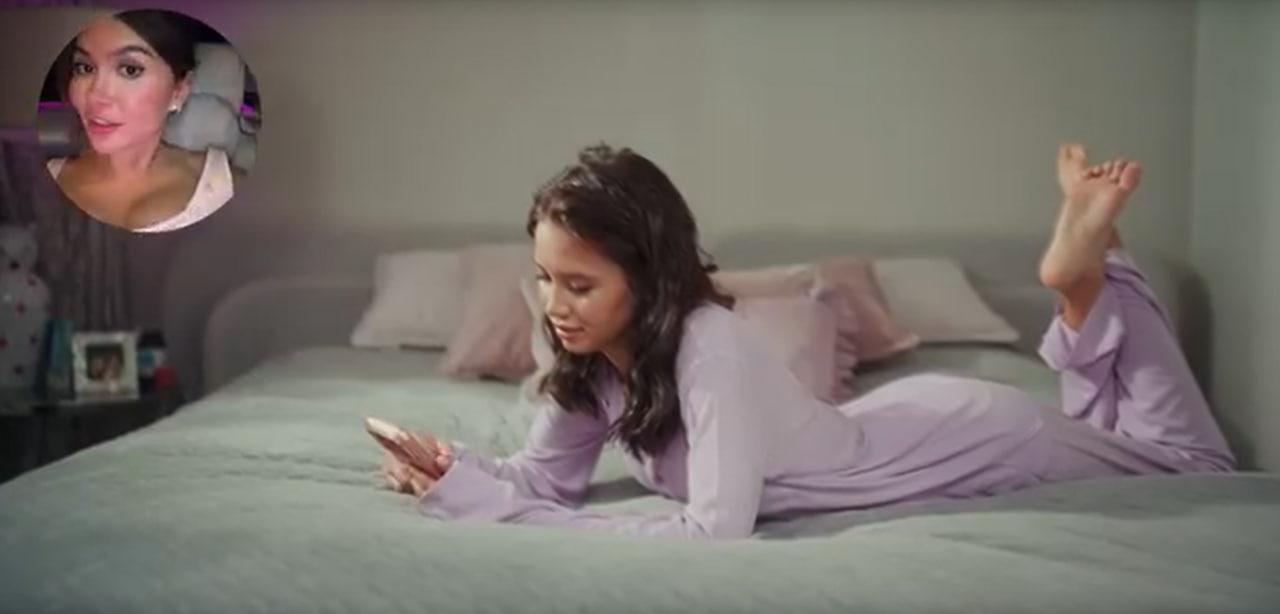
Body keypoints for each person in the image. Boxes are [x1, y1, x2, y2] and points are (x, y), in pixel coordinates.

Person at [379, 143, 1236, 540]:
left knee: (1191, 466)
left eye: (578, 285)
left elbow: (714, 533)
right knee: (1114, 429)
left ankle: (1088, 277)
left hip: (962, 437)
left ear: (647, 276)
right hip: (896, 423)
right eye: (544, 277)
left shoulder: (708, 345)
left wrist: (491, 509)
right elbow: (544, 481)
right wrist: (452, 471)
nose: (553, 306)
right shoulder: (593, 362)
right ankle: (1090, 272)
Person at [44, 9, 235, 233]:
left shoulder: (225, 185)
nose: (95, 95)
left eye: (130, 70)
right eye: (85, 68)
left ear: (179, 89)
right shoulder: (43, 180)